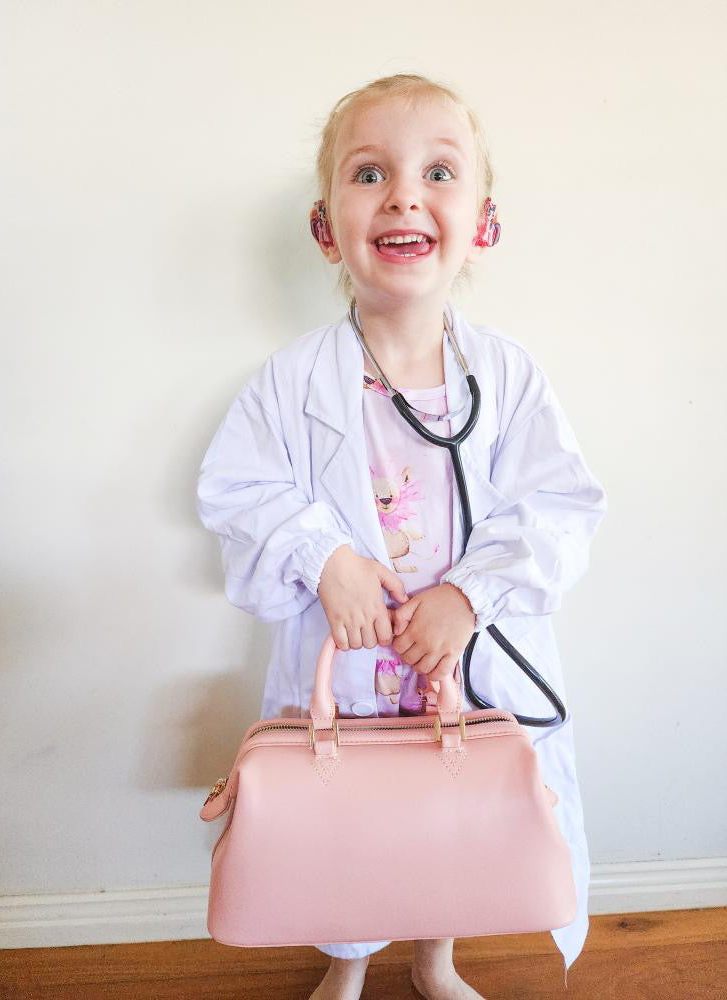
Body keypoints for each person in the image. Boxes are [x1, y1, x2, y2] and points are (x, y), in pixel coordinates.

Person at [197, 73, 607, 1000]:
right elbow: (237, 490)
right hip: (349, 667)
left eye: (439, 173)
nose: (404, 197)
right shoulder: (290, 382)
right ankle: (346, 964)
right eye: (370, 173)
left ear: (484, 223)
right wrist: (325, 558)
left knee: (452, 819)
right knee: (347, 824)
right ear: (325, 226)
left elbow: (560, 506)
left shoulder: (509, 375)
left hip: (461, 659)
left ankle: (435, 959)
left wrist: (470, 595)